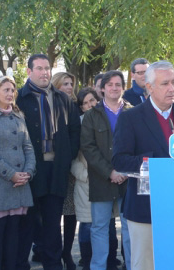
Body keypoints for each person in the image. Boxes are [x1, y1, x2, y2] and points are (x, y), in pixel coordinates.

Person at [112, 61, 174, 270]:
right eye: (165, 84)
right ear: (149, 86)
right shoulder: (130, 118)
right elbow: (119, 160)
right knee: (145, 264)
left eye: (173, 82)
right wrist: (156, 163)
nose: (172, 88)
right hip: (146, 207)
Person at [16, 54, 81, 270]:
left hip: (56, 169)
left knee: (53, 225)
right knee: (28, 224)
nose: (45, 72)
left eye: (47, 68)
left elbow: (74, 130)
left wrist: (66, 157)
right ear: (28, 71)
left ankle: (54, 265)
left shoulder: (62, 99)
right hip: (31, 169)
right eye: (40, 68)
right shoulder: (19, 98)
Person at [0, 76, 36, 270]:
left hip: (20, 185)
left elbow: (28, 147)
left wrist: (28, 172)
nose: (10, 94)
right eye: (6, 90)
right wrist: (11, 174)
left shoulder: (19, 115)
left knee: (14, 233)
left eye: (12, 90)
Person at [82, 70, 133, 270]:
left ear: (123, 87)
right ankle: (98, 267)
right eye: (110, 84)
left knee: (130, 227)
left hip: (129, 179)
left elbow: (138, 145)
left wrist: (125, 171)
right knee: (99, 228)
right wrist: (110, 172)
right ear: (102, 88)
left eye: (118, 84)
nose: (114, 88)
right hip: (101, 179)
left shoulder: (133, 112)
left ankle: (132, 265)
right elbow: (88, 147)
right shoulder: (91, 115)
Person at [52, 71, 78, 270]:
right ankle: (50, 249)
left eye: (71, 84)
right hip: (53, 168)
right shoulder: (50, 105)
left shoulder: (75, 107)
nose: (69, 87)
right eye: (65, 84)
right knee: (52, 215)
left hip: (73, 169)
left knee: (71, 214)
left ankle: (67, 252)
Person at [72, 88, 100, 270]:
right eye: (85, 103)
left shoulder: (106, 119)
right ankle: (86, 260)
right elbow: (72, 158)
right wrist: (85, 175)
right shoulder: (78, 125)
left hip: (105, 180)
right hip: (86, 183)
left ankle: (108, 260)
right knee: (87, 224)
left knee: (107, 225)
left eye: (92, 101)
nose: (89, 105)